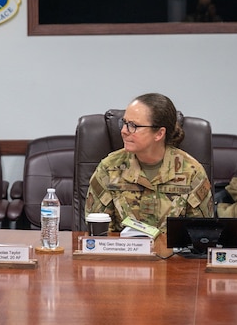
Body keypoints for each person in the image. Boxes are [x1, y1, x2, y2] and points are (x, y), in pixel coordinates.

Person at [84, 92, 213, 233]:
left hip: (174, 255)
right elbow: (98, 235)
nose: (124, 131)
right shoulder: (109, 169)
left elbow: (201, 236)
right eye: (124, 123)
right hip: (123, 253)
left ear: (159, 133)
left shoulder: (192, 173)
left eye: (133, 125)